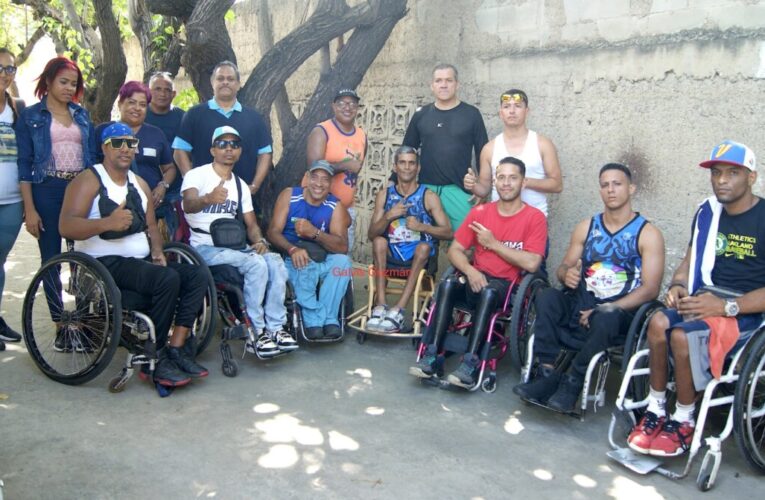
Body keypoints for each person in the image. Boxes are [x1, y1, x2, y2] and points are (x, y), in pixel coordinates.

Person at [627, 140, 764, 457]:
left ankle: (684, 419)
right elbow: (689, 261)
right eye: (716, 173)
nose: (722, 180)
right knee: (659, 322)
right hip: (706, 298)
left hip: (746, 312)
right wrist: (677, 284)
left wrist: (727, 307)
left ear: (752, 177)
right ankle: (656, 410)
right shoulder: (708, 212)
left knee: (681, 336)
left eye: (732, 173)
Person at [59, 123, 208, 387]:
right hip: (104, 264)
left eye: (131, 143)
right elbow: (66, 226)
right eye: (118, 143)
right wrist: (106, 223)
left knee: (197, 273)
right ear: (105, 147)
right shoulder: (89, 180)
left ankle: (176, 346)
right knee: (166, 280)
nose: (126, 149)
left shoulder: (138, 183)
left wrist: (159, 251)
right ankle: (156, 355)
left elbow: (151, 225)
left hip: (139, 262)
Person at [512, 163, 665, 412]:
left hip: (619, 312)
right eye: (605, 185)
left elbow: (651, 289)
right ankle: (546, 374)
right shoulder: (587, 227)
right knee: (547, 296)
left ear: (631, 188)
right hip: (581, 302)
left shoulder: (647, 234)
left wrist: (609, 307)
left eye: (617, 184)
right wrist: (567, 274)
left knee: (607, 316)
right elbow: (563, 268)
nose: (610, 190)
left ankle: (573, 382)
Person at [410, 157, 547, 388]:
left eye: (513, 178)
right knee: (447, 285)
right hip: (475, 276)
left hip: (504, 287)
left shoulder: (534, 218)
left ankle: (470, 363)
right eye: (501, 177)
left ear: (523, 183)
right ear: (494, 182)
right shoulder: (480, 212)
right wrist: (469, 270)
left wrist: (493, 244)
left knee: (488, 292)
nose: (506, 183)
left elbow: (532, 264)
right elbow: (455, 250)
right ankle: (432, 355)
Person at [182, 126, 296, 357]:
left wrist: (260, 241)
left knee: (274, 261)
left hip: (235, 247)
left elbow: (251, 224)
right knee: (256, 264)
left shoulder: (240, 185)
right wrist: (208, 199)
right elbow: (188, 204)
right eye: (223, 144)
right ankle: (256, 331)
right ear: (213, 150)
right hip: (204, 248)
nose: (229, 149)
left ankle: (276, 327)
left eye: (234, 144)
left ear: (240, 151)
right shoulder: (197, 175)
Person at [16, 57, 96, 339]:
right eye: (63, 82)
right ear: (48, 82)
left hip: (80, 189)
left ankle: (85, 320)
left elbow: (93, 156)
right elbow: (24, 164)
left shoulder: (81, 114)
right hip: (47, 189)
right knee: (51, 257)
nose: (68, 88)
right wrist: (30, 208)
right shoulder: (31, 116)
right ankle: (61, 323)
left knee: (83, 255)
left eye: (73, 84)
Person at [366, 146, 452, 332]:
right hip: (392, 255)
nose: (407, 167)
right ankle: (380, 305)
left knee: (423, 247)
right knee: (379, 241)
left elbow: (448, 232)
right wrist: (389, 216)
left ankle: (398, 309)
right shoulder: (385, 195)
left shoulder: (428, 196)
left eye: (411, 163)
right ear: (395, 167)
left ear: (418, 168)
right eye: (402, 163)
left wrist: (422, 227)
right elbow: (371, 234)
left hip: (419, 257)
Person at [267, 160, 352, 340]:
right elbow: (272, 232)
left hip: (321, 258)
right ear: (307, 178)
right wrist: (292, 249)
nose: (319, 184)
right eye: (315, 177)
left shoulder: (335, 206)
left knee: (342, 263)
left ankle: (329, 319)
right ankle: (314, 320)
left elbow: (342, 247)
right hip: (294, 258)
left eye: (325, 180)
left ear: (330, 184)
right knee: (303, 263)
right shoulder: (290, 195)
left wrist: (314, 233)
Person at [403, 63, 488, 231]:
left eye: (449, 80)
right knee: (422, 243)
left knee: (464, 245)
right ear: (432, 85)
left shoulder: (471, 114)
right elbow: (407, 150)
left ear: (457, 84)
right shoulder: (421, 114)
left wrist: (482, 188)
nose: (443, 85)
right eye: (439, 80)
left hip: (458, 190)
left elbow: (482, 153)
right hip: (424, 189)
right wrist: (395, 181)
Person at [173, 61, 272, 195]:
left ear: (238, 84)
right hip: (204, 197)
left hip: (243, 196)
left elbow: (265, 154)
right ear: (212, 82)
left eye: (230, 79)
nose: (225, 82)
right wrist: (191, 183)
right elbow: (179, 151)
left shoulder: (254, 118)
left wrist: (254, 186)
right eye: (220, 78)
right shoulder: (194, 115)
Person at [464, 89, 562, 216]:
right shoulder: (489, 148)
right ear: (501, 113)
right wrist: (472, 185)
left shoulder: (543, 144)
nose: (512, 111)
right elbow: (484, 189)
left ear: (527, 111)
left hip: (534, 222)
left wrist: (522, 181)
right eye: (506, 106)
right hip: (500, 222)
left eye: (518, 106)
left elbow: (557, 185)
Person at [95, 81, 176, 222]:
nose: (137, 108)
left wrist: (162, 186)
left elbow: (169, 168)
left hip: (150, 206)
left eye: (143, 105)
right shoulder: (103, 131)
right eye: (132, 102)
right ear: (120, 104)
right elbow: (92, 166)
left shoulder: (156, 134)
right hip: (110, 205)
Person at [305, 88, 367, 252]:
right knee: (316, 257)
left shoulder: (361, 135)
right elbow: (314, 167)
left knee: (342, 259)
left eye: (352, 103)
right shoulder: (322, 131)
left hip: (346, 209)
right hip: (319, 207)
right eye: (342, 103)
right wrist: (345, 165)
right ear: (333, 106)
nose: (347, 107)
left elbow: (356, 170)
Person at [0, 48, 24, 346]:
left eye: (10, 69)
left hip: (12, 201)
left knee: (0, 260)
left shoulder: (17, 108)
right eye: (1, 67)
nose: (5, 74)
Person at [145, 72, 186, 239]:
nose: (162, 94)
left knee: (177, 234)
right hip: (146, 188)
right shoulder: (140, 116)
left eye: (167, 90)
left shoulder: (183, 118)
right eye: (157, 89)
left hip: (176, 188)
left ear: (174, 94)